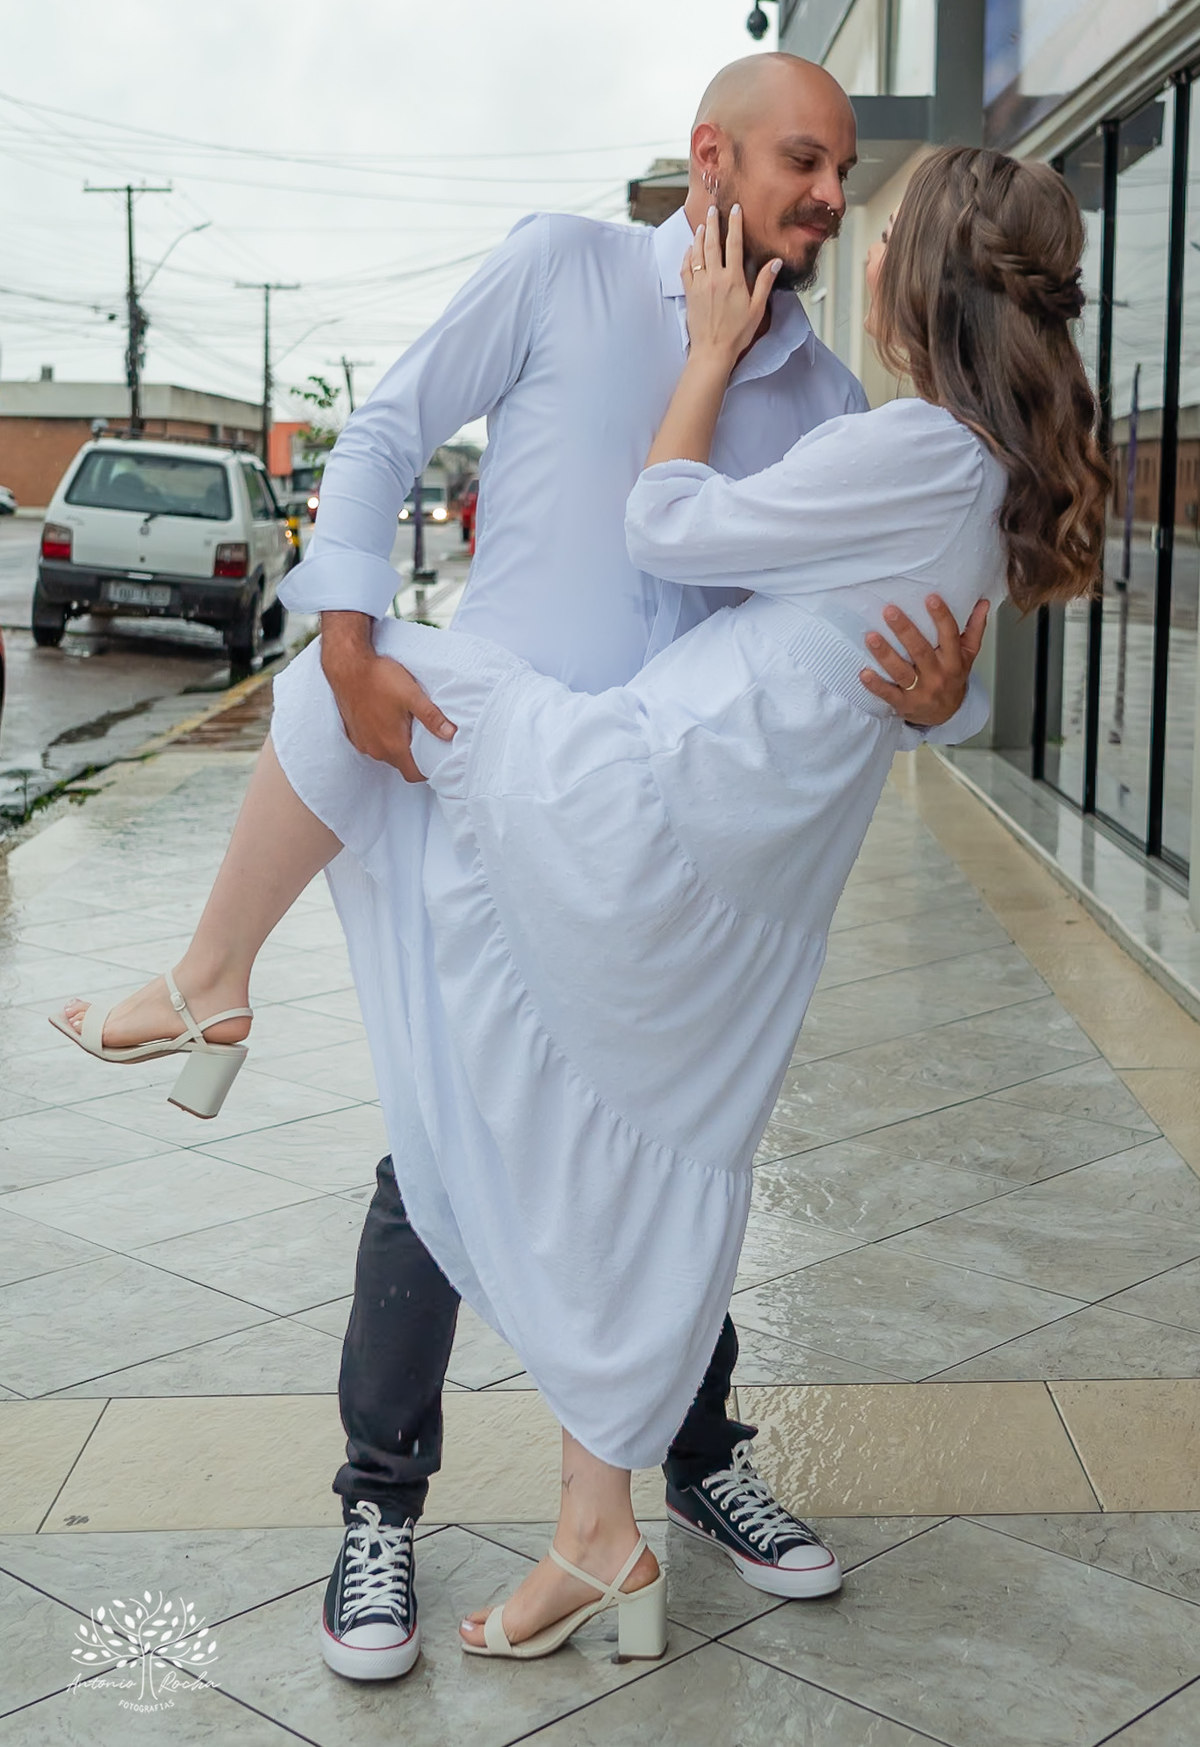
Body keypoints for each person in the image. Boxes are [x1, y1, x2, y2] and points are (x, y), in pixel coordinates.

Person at [53, 143, 1105, 1667]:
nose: (836, 211)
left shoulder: (870, 423)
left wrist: (714, 358)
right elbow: (872, 634)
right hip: (714, 848)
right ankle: (568, 1526)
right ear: (717, 157)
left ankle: (212, 974)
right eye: (808, 164)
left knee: (343, 694)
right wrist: (931, 695)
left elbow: (678, 533)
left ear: (924, 269)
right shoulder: (585, 280)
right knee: (597, 1155)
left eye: (863, 196)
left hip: (649, 801)